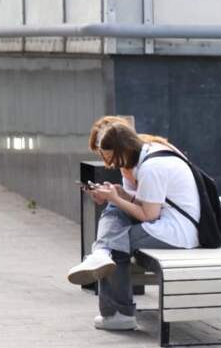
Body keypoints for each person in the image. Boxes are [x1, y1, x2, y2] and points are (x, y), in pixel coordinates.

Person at [67, 119, 200, 330]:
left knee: (115, 245)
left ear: (123, 148)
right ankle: (101, 253)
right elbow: (146, 204)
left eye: (110, 157)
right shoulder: (144, 154)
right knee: (114, 213)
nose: (110, 164)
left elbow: (149, 215)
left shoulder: (151, 168)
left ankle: (119, 314)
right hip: (167, 221)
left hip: (178, 231)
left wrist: (116, 198)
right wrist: (120, 195)